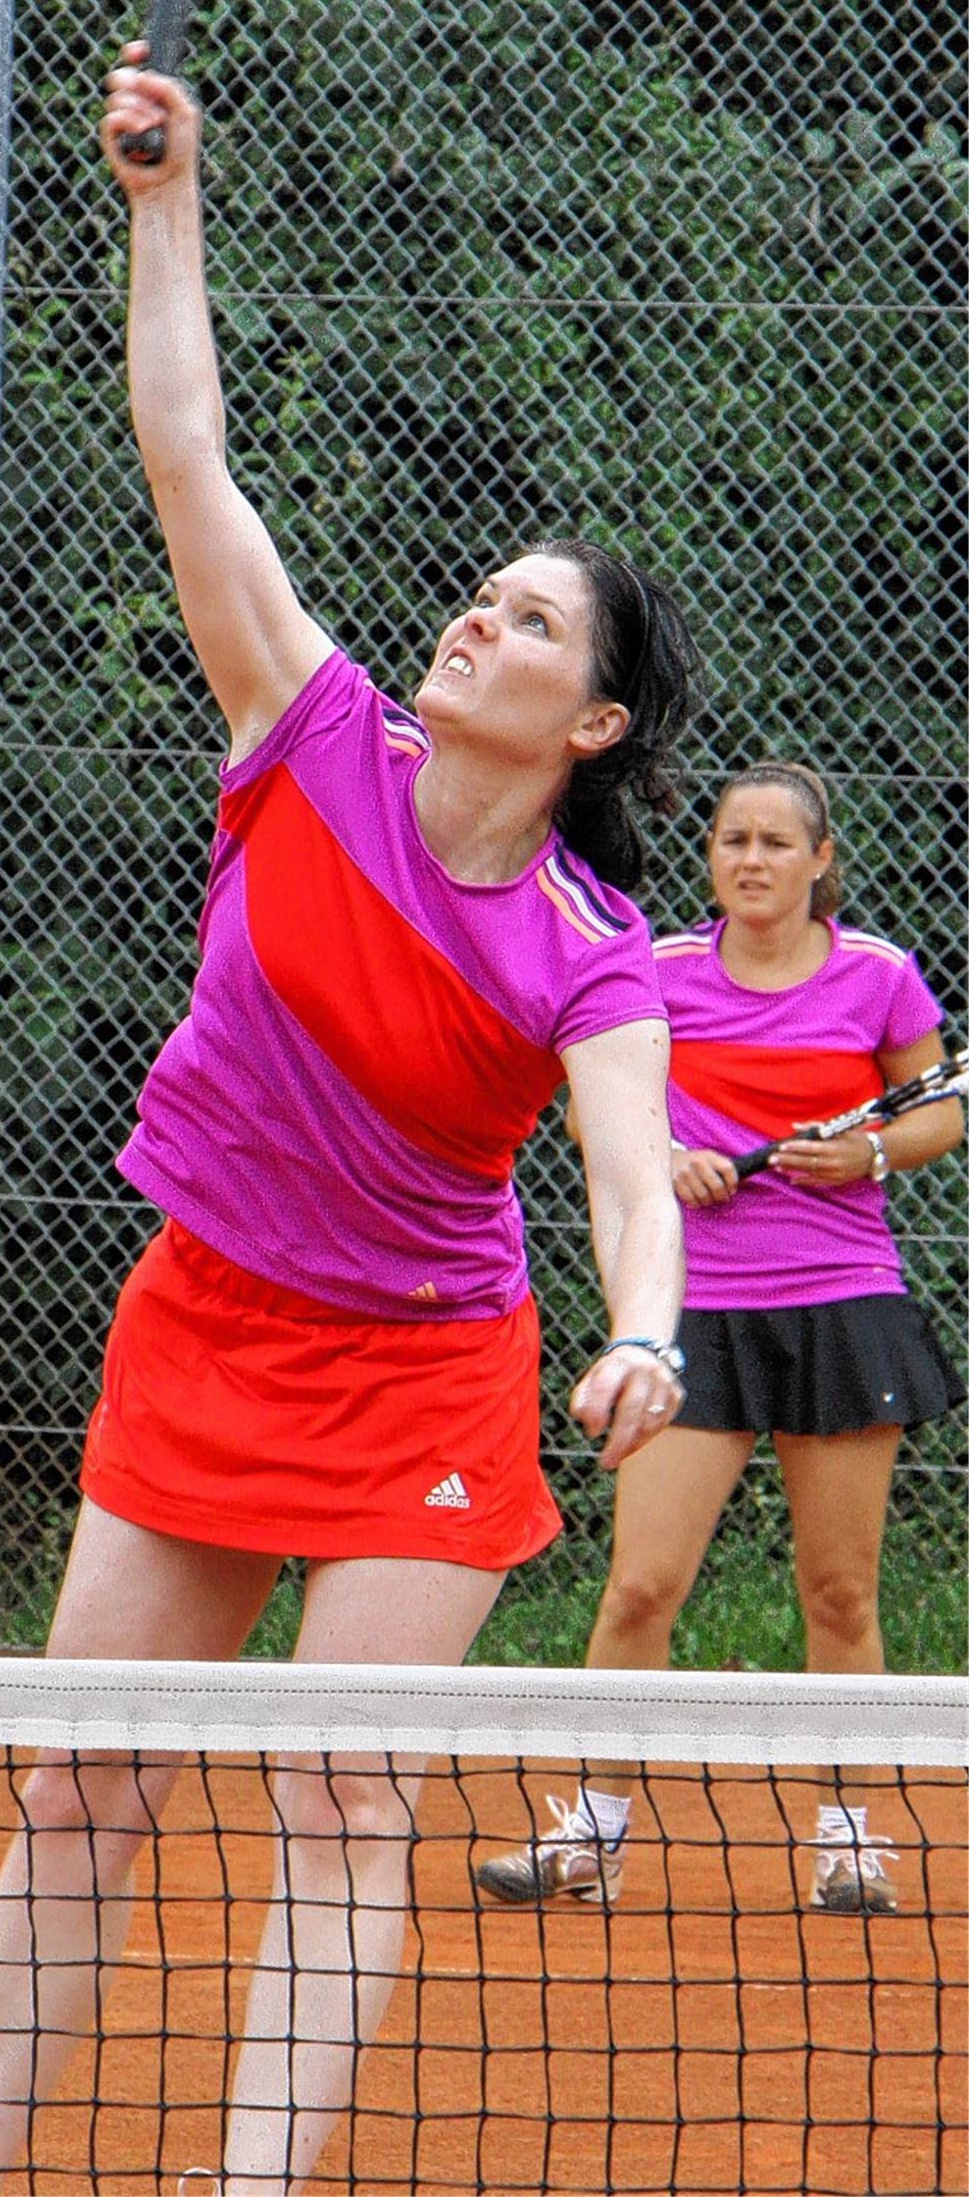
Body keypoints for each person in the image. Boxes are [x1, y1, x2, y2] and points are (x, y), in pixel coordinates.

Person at [0, 50, 697, 2197]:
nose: (482, 613)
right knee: (80, 1787)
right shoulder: (309, 727)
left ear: (592, 717)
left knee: (346, 1789)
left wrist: (652, 1330)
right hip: (206, 1320)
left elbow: (634, 1173)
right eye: (485, 590)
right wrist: (166, 205)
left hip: (427, 1370)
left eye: (534, 619)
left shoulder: (593, 947)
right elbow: (187, 447)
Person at [476, 758, 964, 1919]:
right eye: (733, 839)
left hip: (842, 1307)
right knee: (642, 1584)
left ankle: (851, 1843)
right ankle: (590, 1837)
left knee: (840, 1593)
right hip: (691, 1318)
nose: (751, 859)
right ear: (713, 858)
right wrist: (661, 1158)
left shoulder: (879, 978)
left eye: (776, 842)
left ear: (820, 859)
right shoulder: (662, 971)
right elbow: (596, 1093)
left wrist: (871, 1154)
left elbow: (940, 1100)